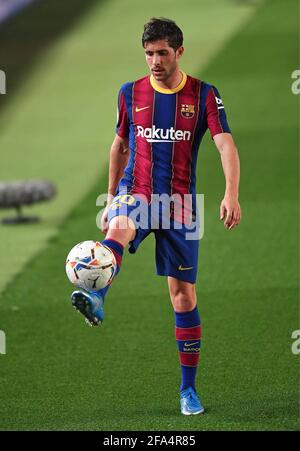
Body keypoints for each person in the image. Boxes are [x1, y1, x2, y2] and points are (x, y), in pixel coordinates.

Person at [70, 17, 241, 416]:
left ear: (179, 51)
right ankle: (96, 295)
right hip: (138, 191)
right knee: (118, 228)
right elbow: (119, 146)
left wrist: (231, 193)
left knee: (182, 298)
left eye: (162, 53)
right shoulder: (130, 93)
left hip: (180, 203)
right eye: (148, 53)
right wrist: (112, 196)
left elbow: (225, 145)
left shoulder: (203, 95)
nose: (154, 61)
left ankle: (188, 390)